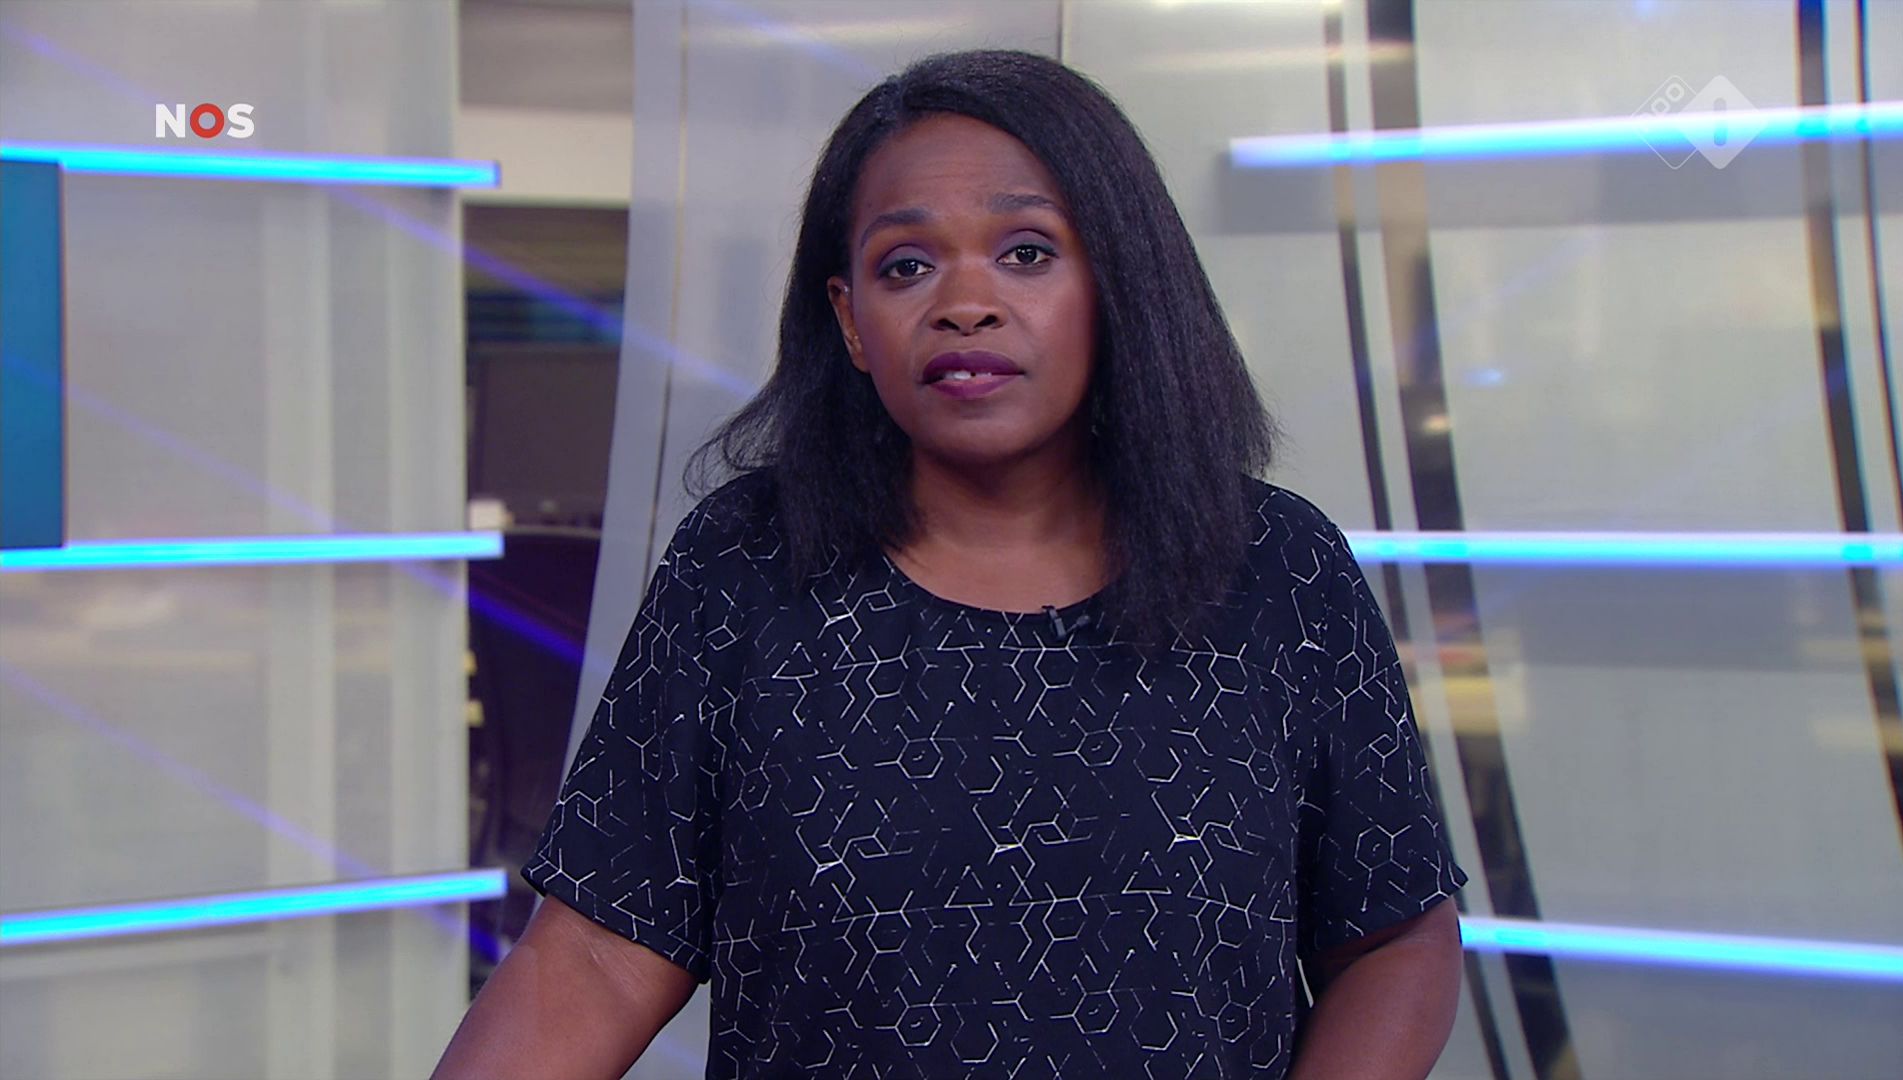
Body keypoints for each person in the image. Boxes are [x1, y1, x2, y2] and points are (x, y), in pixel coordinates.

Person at [434, 48, 1466, 1080]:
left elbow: (1392, 939)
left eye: (1027, 253)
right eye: (906, 266)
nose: (965, 302)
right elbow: (596, 958)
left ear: (1118, 285)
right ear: (850, 320)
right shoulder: (745, 566)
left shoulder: (1278, 569)